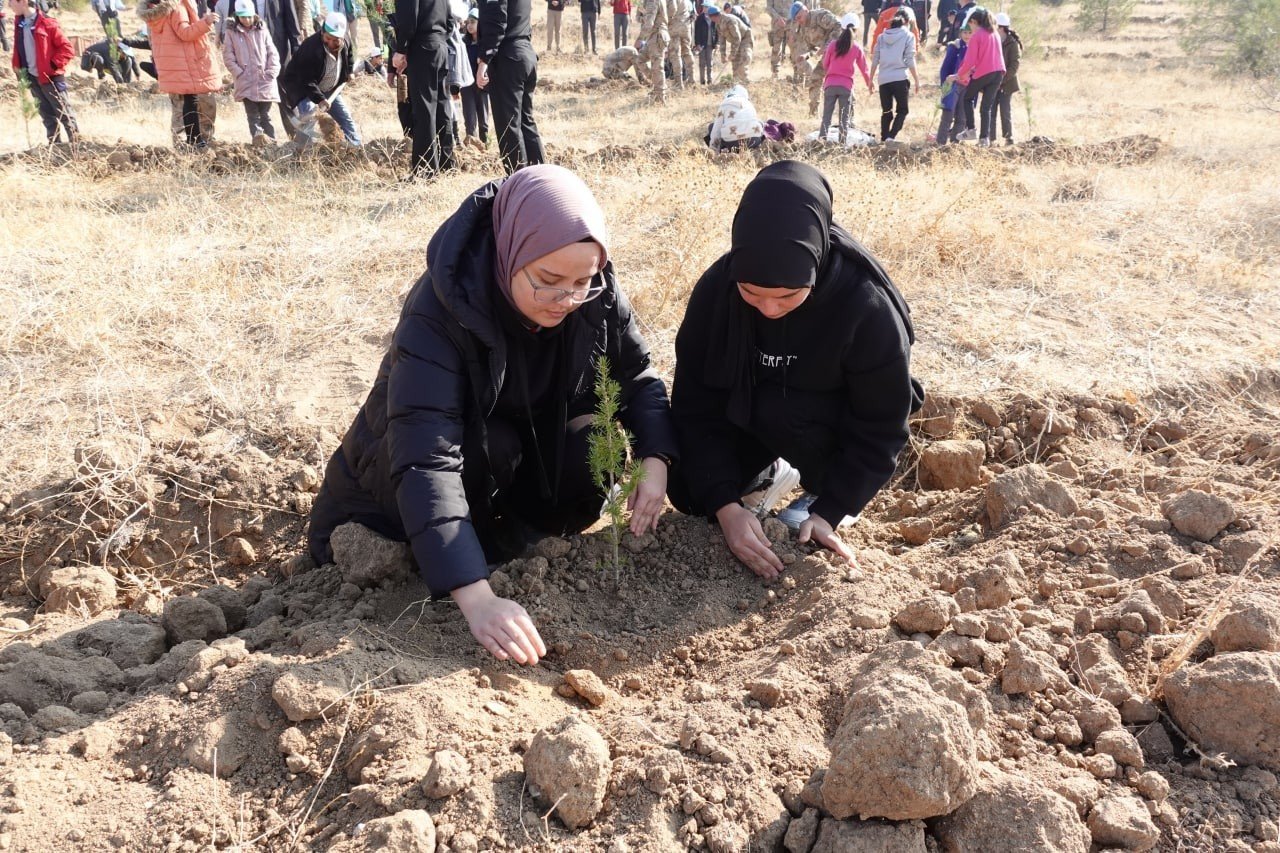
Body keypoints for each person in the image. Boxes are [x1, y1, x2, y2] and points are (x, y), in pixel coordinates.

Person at [307, 165, 678, 667]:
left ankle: (512, 547)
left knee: (597, 442)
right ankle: (461, 561)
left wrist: (656, 458)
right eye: (547, 282)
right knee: (489, 445)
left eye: (582, 282)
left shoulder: (596, 292)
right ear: (511, 253)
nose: (566, 300)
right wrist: (475, 596)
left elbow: (637, 376)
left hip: (518, 460)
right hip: (394, 495)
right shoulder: (442, 309)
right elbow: (426, 456)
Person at [668, 161, 921, 579]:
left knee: (784, 410)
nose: (768, 309)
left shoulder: (865, 306)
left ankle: (820, 486)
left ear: (815, 266)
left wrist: (831, 511)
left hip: (824, 422)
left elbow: (882, 425)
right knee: (689, 491)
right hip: (753, 409)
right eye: (751, 292)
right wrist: (726, 507)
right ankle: (769, 476)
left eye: (788, 296)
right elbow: (695, 405)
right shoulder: (717, 290)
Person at [138, 0, 220, 147]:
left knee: (186, 101)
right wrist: (206, 22)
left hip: (171, 62)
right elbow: (185, 33)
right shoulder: (177, 7)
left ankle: (190, 139)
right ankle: (195, 139)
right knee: (191, 100)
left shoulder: (154, 10)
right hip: (184, 61)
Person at [476, 0, 545, 173]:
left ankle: (518, 180)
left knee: (509, 126)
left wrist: (484, 59)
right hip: (525, 52)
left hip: (507, 57)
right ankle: (541, 177)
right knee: (525, 122)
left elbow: (497, 21)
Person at [280, 12, 362, 146]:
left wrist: (349, 72)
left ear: (342, 38)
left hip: (329, 86)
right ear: (323, 31)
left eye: (335, 40)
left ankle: (356, 146)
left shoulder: (346, 41)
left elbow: (350, 56)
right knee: (308, 117)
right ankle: (305, 152)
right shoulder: (311, 48)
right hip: (302, 87)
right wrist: (320, 99)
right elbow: (307, 81)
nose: (330, 43)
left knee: (345, 116)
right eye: (327, 38)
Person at [393, 0, 453, 176]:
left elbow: (408, 18)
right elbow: (450, 22)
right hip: (440, 46)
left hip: (422, 48)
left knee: (424, 110)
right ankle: (447, 164)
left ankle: (425, 171)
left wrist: (402, 49)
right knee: (442, 107)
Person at [10, 0, 78, 143]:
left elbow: (67, 49)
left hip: (50, 78)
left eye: (11, 2)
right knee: (47, 116)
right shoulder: (19, 23)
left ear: (22, 2)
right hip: (32, 78)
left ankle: (76, 146)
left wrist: (52, 66)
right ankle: (54, 148)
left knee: (64, 113)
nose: (9, 5)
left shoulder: (47, 22)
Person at [223, 0, 281, 143]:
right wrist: (239, 73)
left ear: (254, 15)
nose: (247, 20)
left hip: (264, 80)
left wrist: (271, 72)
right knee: (252, 115)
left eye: (249, 16)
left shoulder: (262, 30)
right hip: (245, 81)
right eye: (243, 17)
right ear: (237, 16)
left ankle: (272, 143)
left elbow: (272, 52)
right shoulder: (231, 32)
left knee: (265, 115)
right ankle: (258, 143)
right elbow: (228, 56)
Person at [947, 5, 1001, 146]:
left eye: (970, 23)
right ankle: (984, 139)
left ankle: (971, 129)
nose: (969, 28)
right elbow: (989, 55)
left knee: (968, 98)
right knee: (986, 107)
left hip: (985, 72)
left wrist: (958, 75)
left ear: (975, 22)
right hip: (998, 73)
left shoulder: (977, 35)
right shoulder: (994, 33)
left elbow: (969, 60)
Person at [818, 13, 870, 144]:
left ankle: (821, 142)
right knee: (844, 119)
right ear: (856, 30)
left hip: (830, 85)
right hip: (846, 87)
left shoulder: (832, 45)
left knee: (826, 117)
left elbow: (825, 65)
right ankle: (841, 145)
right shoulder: (857, 48)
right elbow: (864, 69)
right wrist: (870, 84)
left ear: (842, 28)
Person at [869, 6, 916, 142]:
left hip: (883, 79)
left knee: (886, 111)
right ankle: (891, 136)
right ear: (906, 22)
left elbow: (875, 60)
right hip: (900, 78)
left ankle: (884, 138)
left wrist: (871, 80)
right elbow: (910, 60)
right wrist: (917, 80)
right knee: (902, 110)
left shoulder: (882, 37)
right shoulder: (908, 35)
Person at [791, 3, 841, 116]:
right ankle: (813, 112)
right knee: (815, 78)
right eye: (796, 19)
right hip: (828, 55)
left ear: (806, 10)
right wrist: (806, 56)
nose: (799, 21)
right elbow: (814, 49)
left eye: (799, 17)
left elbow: (839, 27)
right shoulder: (803, 29)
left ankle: (846, 111)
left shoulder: (820, 16)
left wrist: (828, 45)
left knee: (839, 81)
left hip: (840, 50)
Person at [459, 8, 488, 149]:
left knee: (483, 119)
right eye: (468, 22)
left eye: (473, 22)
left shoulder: (486, 43)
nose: (469, 25)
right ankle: (472, 147)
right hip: (467, 85)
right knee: (469, 118)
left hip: (482, 84)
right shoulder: (463, 43)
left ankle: (485, 143)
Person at [933, 20, 966, 144]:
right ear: (960, 33)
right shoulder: (955, 46)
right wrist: (945, 85)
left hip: (967, 86)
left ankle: (954, 145)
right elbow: (945, 68)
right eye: (965, 32)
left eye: (970, 32)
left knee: (962, 118)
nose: (967, 35)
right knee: (948, 116)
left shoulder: (975, 47)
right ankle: (940, 143)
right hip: (953, 85)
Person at [705, 83, 763, 151]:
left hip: (733, 144)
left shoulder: (725, 104)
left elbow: (716, 129)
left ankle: (725, 150)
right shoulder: (749, 104)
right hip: (753, 141)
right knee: (759, 122)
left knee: (712, 126)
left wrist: (713, 148)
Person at [705, 4, 749, 85]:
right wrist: (723, 55)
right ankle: (737, 84)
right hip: (736, 42)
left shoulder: (729, 20)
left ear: (713, 16)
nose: (711, 19)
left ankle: (745, 84)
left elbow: (737, 38)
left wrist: (732, 53)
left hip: (745, 39)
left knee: (743, 61)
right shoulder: (718, 24)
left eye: (710, 17)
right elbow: (722, 40)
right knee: (735, 63)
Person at [635, 0, 669, 102]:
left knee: (657, 67)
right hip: (652, 37)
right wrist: (642, 17)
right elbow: (639, 18)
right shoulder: (645, 2)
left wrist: (640, 38)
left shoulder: (652, 1)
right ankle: (657, 85)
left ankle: (660, 96)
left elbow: (649, 23)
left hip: (657, 36)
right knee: (639, 59)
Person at [995, 10, 1020, 144]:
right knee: (990, 111)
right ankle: (990, 138)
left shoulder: (1013, 44)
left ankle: (1008, 137)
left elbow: (1014, 66)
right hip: (992, 83)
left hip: (1007, 83)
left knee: (1005, 110)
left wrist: (1002, 81)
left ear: (1001, 28)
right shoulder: (993, 41)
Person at [666, 0, 692, 87]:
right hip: (685, 26)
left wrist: (666, 20)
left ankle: (678, 82)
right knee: (687, 52)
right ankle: (691, 79)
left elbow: (672, 9)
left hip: (674, 27)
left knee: (675, 55)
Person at [693, 2, 716, 83]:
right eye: (703, 7)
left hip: (710, 44)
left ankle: (710, 80)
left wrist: (716, 43)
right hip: (702, 44)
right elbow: (696, 32)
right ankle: (702, 81)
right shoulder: (700, 18)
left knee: (710, 63)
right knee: (702, 64)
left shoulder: (714, 18)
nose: (704, 8)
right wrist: (697, 44)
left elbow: (716, 32)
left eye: (706, 7)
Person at [764, 0, 788, 77]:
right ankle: (775, 72)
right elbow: (769, 8)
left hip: (792, 22)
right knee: (776, 48)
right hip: (777, 24)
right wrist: (778, 18)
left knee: (796, 46)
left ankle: (798, 73)